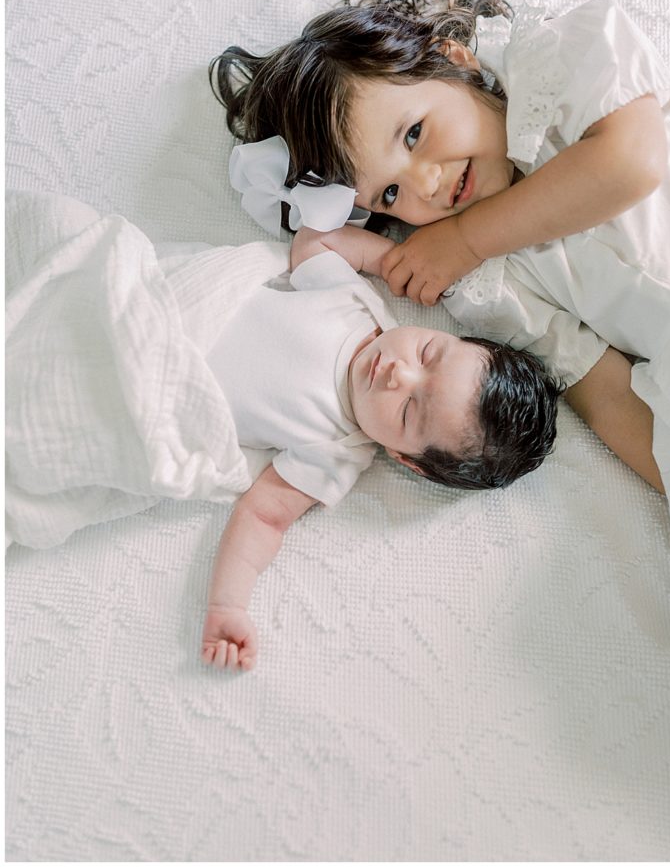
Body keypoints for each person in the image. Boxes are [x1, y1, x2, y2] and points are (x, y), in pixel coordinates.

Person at [5, 189, 563, 668]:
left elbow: (264, 517)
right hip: (153, 305)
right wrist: (392, 258)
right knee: (63, 235)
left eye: (410, 410)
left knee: (46, 418)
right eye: (429, 351)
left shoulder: (338, 450)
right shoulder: (358, 306)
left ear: (405, 459)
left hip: (151, 391)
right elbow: (313, 245)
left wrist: (228, 606)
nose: (399, 373)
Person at [211, 0, 670, 526]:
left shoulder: (553, 64)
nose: (426, 183)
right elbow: (603, 393)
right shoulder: (485, 280)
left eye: (413, 135)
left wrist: (467, 238)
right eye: (390, 194)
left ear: (449, 59)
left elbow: (631, 166)